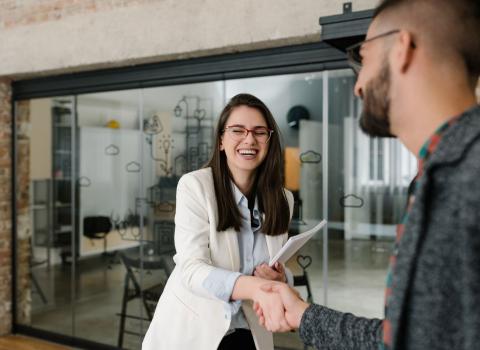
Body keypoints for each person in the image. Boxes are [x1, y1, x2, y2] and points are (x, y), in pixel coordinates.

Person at [254, 0, 480, 349]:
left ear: (403, 48)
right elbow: (404, 339)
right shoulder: (434, 177)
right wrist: (303, 315)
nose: (358, 86)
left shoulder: (469, 173)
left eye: (364, 57)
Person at [142, 93, 295, 350]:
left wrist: (281, 279)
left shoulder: (282, 199)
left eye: (259, 132)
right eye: (238, 130)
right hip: (195, 333)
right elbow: (191, 269)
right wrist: (255, 287)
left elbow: (277, 265)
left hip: (252, 332)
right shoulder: (195, 186)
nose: (249, 139)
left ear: (269, 141)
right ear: (221, 140)